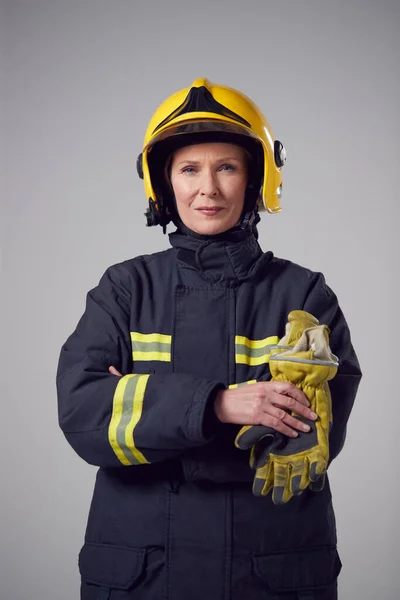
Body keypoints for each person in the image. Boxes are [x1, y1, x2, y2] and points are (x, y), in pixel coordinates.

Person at [56, 78, 362, 600]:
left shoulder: (304, 294)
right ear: (164, 183)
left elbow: (313, 433)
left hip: (268, 569)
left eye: (227, 167)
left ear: (256, 179)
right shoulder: (125, 289)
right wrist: (220, 404)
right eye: (189, 169)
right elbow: (84, 413)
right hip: (144, 573)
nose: (208, 188)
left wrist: (144, 410)